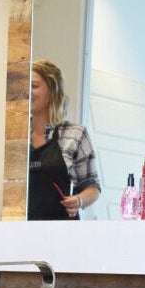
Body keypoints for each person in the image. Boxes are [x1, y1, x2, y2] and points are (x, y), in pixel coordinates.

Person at [28, 60, 101, 220]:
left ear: (52, 89)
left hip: (63, 232)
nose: (27, 91)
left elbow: (92, 187)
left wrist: (79, 200)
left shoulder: (75, 134)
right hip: (21, 231)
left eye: (33, 86)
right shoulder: (17, 138)